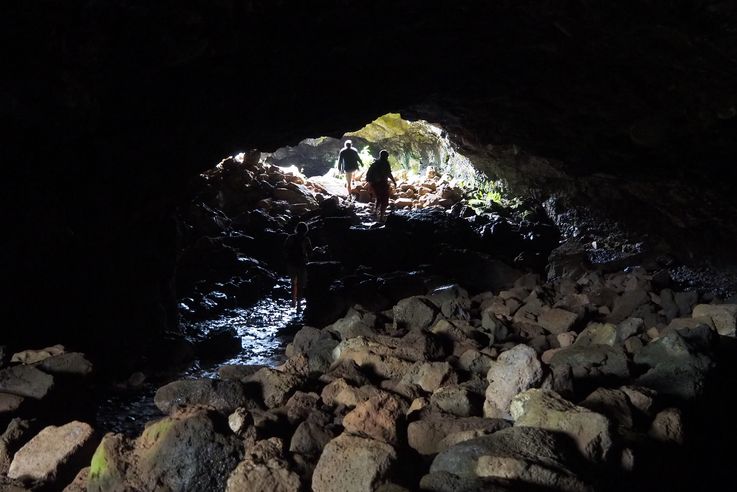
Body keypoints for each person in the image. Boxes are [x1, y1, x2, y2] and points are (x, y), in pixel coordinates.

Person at [283, 222, 312, 310]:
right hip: (302, 263)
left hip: (291, 263)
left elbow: (285, 249)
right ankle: (299, 303)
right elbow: (310, 251)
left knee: (293, 283)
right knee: (301, 284)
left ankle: (293, 301)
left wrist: (286, 260)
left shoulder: (290, 238)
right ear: (306, 230)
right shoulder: (306, 239)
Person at [365, 149, 396, 221]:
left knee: (379, 198)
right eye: (387, 156)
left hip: (375, 184)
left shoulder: (375, 163)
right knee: (384, 200)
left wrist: (370, 184)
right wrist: (394, 181)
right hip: (383, 184)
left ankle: (375, 212)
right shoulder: (386, 163)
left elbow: (368, 174)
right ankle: (381, 217)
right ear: (386, 156)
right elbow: (389, 174)